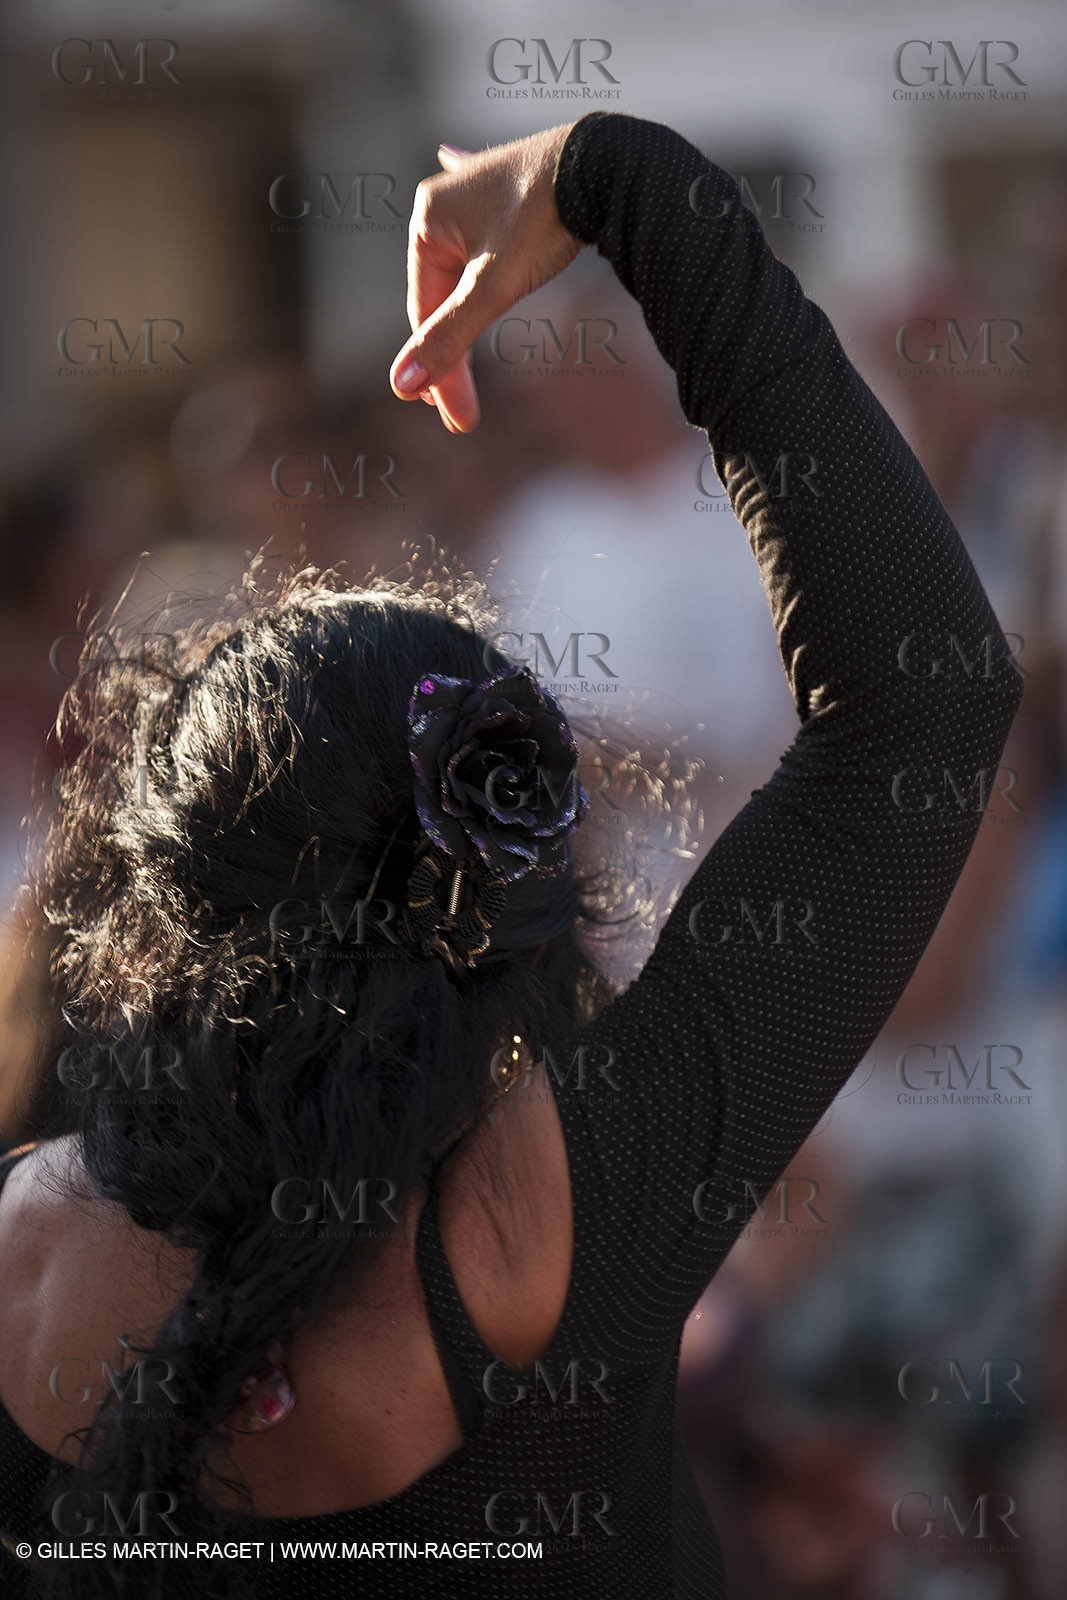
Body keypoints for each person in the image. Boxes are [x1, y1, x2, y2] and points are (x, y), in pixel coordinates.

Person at [0, 113, 1020, 1599]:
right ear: (507, 873)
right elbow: (924, 693)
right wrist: (615, 186)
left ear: (166, 889)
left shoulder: (27, 1248)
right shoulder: (580, 1193)